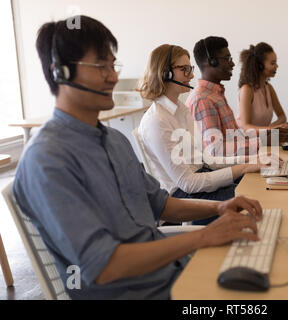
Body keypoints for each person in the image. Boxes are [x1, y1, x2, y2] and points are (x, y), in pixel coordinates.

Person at [13, 16, 262, 300]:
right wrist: (204, 237)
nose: (114, 76)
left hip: (169, 274)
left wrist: (219, 208)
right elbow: (103, 265)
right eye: (101, 66)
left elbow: (161, 204)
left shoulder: (114, 141)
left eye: (112, 65)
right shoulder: (48, 160)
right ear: (61, 73)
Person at [137, 44, 268, 224]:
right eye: (185, 70)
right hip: (186, 197)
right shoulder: (156, 121)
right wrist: (243, 168)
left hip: (201, 182)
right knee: (258, 199)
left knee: (259, 184)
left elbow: (206, 160)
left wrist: (248, 162)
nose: (191, 75)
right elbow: (188, 183)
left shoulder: (181, 110)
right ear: (165, 73)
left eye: (190, 69)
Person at [237, 42, 288, 135]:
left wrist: (273, 129)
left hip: (263, 139)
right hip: (246, 142)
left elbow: (282, 116)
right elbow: (245, 126)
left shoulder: (268, 88)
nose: (276, 66)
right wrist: (271, 129)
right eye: (272, 63)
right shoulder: (247, 90)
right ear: (259, 66)